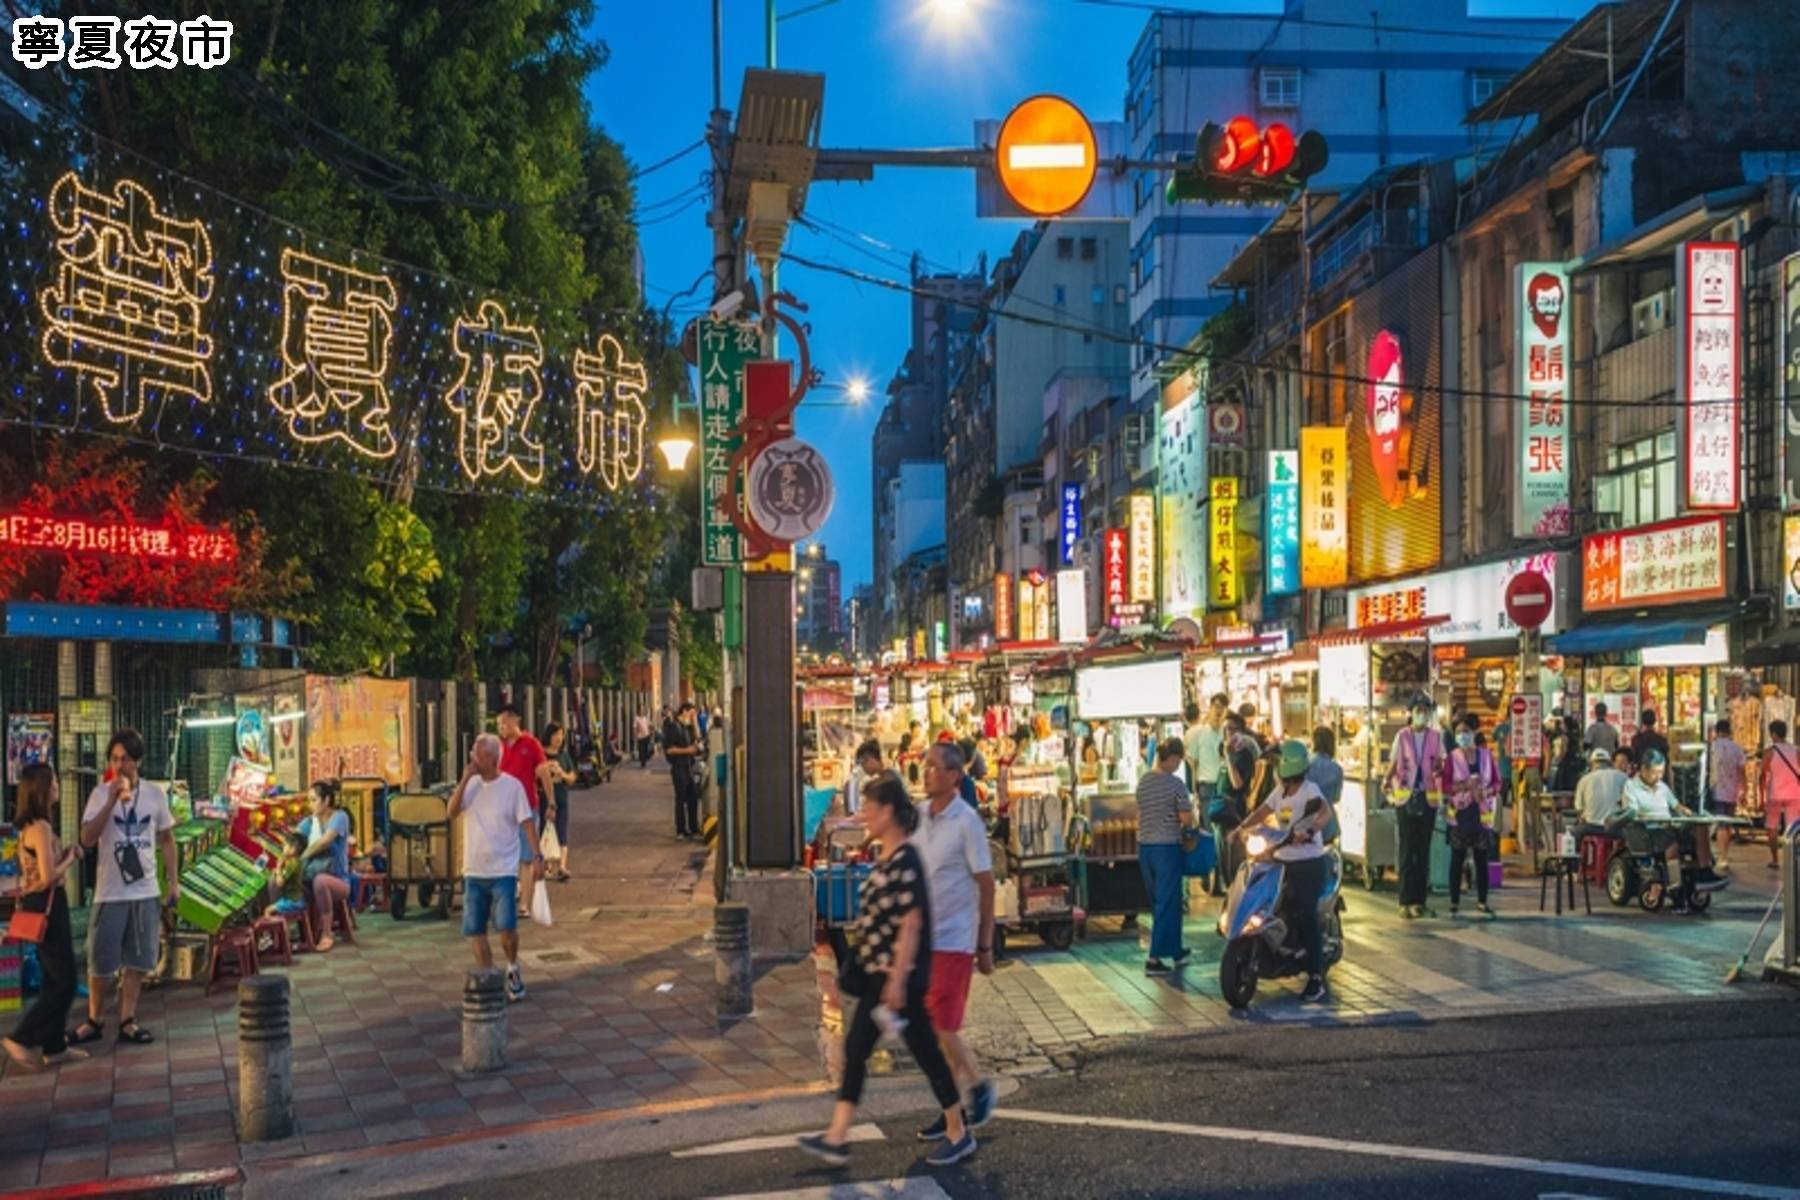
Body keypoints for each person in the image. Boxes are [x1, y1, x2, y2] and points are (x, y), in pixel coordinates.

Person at [798, 777, 973, 1169]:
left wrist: (896, 979)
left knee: (926, 1052)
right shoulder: (888, 855)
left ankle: (958, 1131)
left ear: (888, 812)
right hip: (881, 978)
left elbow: (911, 921)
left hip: (900, 979)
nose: (864, 816)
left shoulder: (907, 858)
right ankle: (837, 1137)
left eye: (871, 809)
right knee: (857, 1049)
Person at [67, 729, 176, 1048]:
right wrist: (112, 798)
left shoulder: (156, 794)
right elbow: (87, 839)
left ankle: (128, 1018)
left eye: (125, 759)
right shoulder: (100, 794)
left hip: (145, 889)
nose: (120, 765)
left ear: (138, 760)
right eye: (114, 759)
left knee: (139, 960)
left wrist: (174, 881)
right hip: (110, 891)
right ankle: (94, 1019)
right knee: (101, 961)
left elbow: (167, 840)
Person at [914, 744, 998, 1138]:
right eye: (924, 765)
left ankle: (977, 1088)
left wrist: (985, 944)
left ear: (954, 777)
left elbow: (986, 884)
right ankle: (951, 1108)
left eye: (933, 767)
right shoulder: (919, 818)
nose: (926, 772)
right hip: (925, 940)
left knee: (941, 1026)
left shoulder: (967, 823)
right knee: (932, 1027)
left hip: (955, 938)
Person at [449, 733, 544, 1002]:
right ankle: (490, 976)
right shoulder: (471, 785)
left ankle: (512, 967)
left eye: (476, 754)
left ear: (490, 758)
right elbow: (451, 811)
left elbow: (526, 822)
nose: (472, 758)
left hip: (503, 869)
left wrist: (537, 856)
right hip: (474, 869)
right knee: (476, 930)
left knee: (506, 928)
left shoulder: (512, 788)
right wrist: (466, 777)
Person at [1239, 740, 1335, 1003]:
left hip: (1308, 862)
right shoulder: (1280, 792)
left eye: (1279, 761)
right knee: (1264, 903)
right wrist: (1241, 827)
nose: (1276, 767)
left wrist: (1310, 831)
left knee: (1305, 912)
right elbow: (1262, 811)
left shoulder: (1309, 789)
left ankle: (1315, 977)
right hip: (1280, 860)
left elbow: (1324, 813)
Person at [3, 764, 84, 1070]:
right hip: (48, 904)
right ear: (42, 788)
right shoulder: (40, 828)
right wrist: (72, 859)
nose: (58, 786)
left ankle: (54, 1046)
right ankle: (21, 1037)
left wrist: (62, 857)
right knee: (65, 980)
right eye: (54, 781)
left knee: (54, 979)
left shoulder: (30, 827)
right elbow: (49, 877)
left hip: (42, 902)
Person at [1619, 750, 1720, 903]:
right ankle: (1675, 887)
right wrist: (1654, 818)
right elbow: (1632, 812)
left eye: (1661, 772)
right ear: (1644, 769)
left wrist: (1685, 811)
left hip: (1669, 826)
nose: (1659, 776)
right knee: (1671, 843)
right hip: (1649, 830)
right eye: (1655, 772)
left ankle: (1705, 871)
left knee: (1700, 826)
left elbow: (1676, 805)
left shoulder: (1662, 787)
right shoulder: (1631, 787)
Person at [1136, 737, 1198, 976]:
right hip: (1166, 849)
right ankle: (1153, 959)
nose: (1178, 765)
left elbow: (1141, 814)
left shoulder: (1143, 781)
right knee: (1168, 902)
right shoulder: (1175, 784)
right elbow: (1186, 819)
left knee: (1159, 902)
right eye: (1178, 760)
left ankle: (1174, 950)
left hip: (1145, 848)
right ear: (1171, 758)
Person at [1387, 695, 1445, 920]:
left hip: (1428, 800)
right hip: (1405, 799)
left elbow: (1441, 763)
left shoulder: (1435, 737)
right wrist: (1387, 780)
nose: (1422, 713)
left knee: (1423, 851)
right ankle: (1404, 901)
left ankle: (1419, 902)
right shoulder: (1402, 736)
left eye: (1425, 709)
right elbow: (1394, 763)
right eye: (1418, 709)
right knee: (1407, 850)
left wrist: (1440, 768)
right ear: (1411, 712)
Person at [497, 705, 554, 910]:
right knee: (504, 857)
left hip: (526, 808)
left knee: (526, 858)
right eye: (499, 724)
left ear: (515, 720)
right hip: (502, 811)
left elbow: (544, 774)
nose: (501, 728)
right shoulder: (497, 746)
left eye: (504, 723)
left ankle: (524, 904)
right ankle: (510, 895)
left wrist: (551, 802)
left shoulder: (531, 745)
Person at [1442, 715, 1498, 919]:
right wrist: (1464, 786)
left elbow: (1497, 782)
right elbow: (1445, 785)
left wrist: (1488, 792)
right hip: (1459, 814)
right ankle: (1454, 902)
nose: (1462, 735)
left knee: (1481, 859)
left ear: (1473, 733)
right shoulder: (1452, 758)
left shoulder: (1486, 756)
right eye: (1458, 732)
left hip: (1482, 814)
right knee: (1457, 859)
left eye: (1466, 731)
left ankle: (1483, 901)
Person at [297, 781, 354, 951]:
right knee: (275, 881)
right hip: (311, 876)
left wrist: (303, 855)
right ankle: (279, 935)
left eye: (314, 800)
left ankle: (327, 934)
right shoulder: (310, 822)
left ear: (326, 800)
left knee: (320, 882)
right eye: (309, 800)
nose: (310, 804)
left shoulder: (339, 817)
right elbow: (295, 838)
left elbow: (325, 842)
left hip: (339, 881)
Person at [1760, 719, 1800, 870]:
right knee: (1794, 828)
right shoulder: (1796, 750)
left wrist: (1761, 795)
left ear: (1774, 734)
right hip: (1794, 793)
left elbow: (1762, 775)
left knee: (1772, 826)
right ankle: (1793, 857)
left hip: (1775, 793)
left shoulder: (1769, 752)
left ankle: (1775, 859)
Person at [1706, 718, 1745, 869]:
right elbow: (1741, 771)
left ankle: (1723, 857)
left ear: (1717, 731)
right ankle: (1724, 854)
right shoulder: (1737, 748)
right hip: (1732, 789)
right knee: (1727, 823)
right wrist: (1743, 790)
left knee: (1721, 824)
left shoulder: (1712, 747)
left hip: (1716, 789)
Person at [541, 723, 575, 882]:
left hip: (562, 798)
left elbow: (572, 778)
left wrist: (562, 774)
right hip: (544, 800)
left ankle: (562, 866)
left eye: (561, 735)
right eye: (556, 735)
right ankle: (546, 866)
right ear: (549, 736)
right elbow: (534, 776)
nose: (559, 738)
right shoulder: (540, 755)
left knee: (562, 831)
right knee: (545, 831)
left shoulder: (564, 756)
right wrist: (546, 769)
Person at [663, 701, 702, 839]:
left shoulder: (686, 727)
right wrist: (687, 750)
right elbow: (670, 749)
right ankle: (681, 829)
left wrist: (695, 722)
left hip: (689, 766)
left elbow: (697, 739)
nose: (692, 717)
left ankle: (693, 827)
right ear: (684, 711)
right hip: (679, 767)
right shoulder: (674, 727)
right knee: (681, 798)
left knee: (693, 796)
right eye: (691, 714)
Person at [1184, 695, 1226, 818]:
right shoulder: (1198, 732)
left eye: (1223, 708)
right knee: (1209, 827)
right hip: (1206, 785)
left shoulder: (1228, 732)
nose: (1219, 711)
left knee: (1223, 828)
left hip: (1225, 786)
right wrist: (1194, 791)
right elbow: (1192, 763)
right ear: (1210, 708)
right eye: (1217, 707)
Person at [1573, 747, 1629, 835]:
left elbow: (1579, 809)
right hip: (1615, 828)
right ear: (1609, 762)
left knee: (1574, 833)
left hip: (1591, 827)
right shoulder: (1622, 777)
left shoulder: (1584, 780)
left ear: (1591, 763)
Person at [1551, 715, 1585, 793]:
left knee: (1561, 786)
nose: (1561, 725)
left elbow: (1564, 751)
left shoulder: (1564, 737)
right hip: (1574, 764)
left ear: (1566, 725)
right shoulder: (1576, 737)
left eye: (1562, 723)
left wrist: (1558, 760)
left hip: (1566, 765)